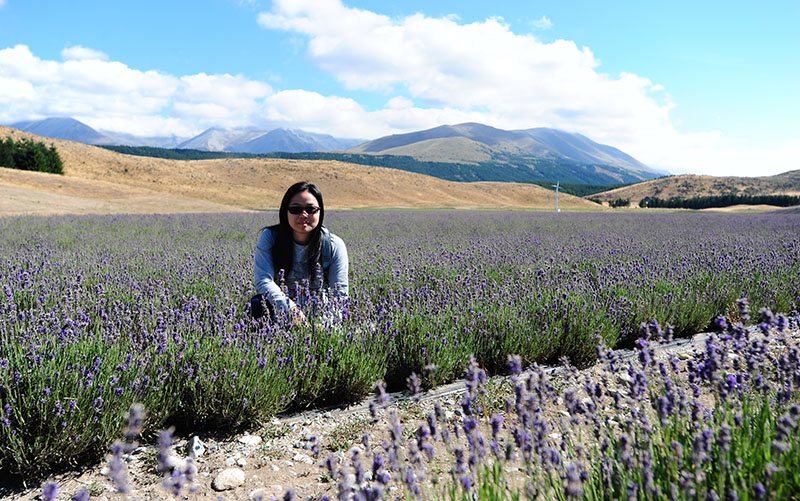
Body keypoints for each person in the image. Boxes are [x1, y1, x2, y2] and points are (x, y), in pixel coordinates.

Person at [251, 181, 348, 324]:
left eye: (310, 209)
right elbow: (263, 281)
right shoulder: (271, 238)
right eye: (296, 209)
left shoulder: (333, 245)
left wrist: (322, 328)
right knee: (257, 303)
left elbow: (340, 295)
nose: (303, 215)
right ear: (285, 211)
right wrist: (292, 310)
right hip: (282, 313)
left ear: (320, 212)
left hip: (320, 317)